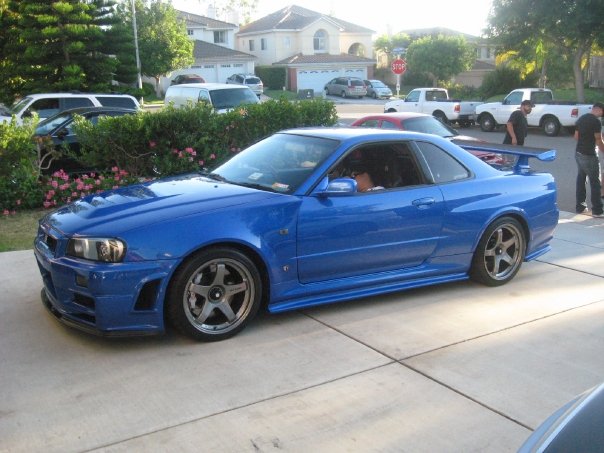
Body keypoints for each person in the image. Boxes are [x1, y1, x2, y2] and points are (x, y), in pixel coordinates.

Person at [574, 102, 604, 216]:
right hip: (590, 155)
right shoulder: (596, 122)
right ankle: (597, 210)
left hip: (578, 153)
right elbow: (598, 139)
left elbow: (576, 136)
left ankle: (580, 207)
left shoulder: (581, 118)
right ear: (599, 110)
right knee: (595, 182)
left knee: (581, 179)